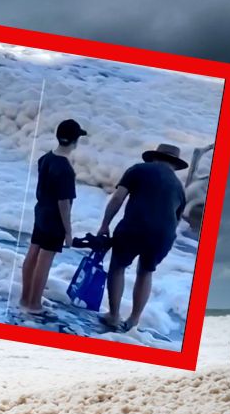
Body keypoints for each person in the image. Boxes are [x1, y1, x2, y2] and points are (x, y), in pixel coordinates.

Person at [96, 142, 188, 331]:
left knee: (118, 267)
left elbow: (117, 198)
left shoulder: (138, 170)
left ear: (155, 157)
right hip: (164, 235)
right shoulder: (179, 187)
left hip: (135, 227)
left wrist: (105, 225)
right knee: (146, 271)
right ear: (175, 164)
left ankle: (113, 316)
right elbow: (177, 220)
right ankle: (134, 319)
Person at [20, 118, 87, 314]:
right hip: (54, 218)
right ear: (75, 141)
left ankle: (25, 298)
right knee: (44, 260)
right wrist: (68, 232)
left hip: (41, 211)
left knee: (33, 253)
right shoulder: (65, 169)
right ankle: (34, 304)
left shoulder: (46, 158)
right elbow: (63, 203)